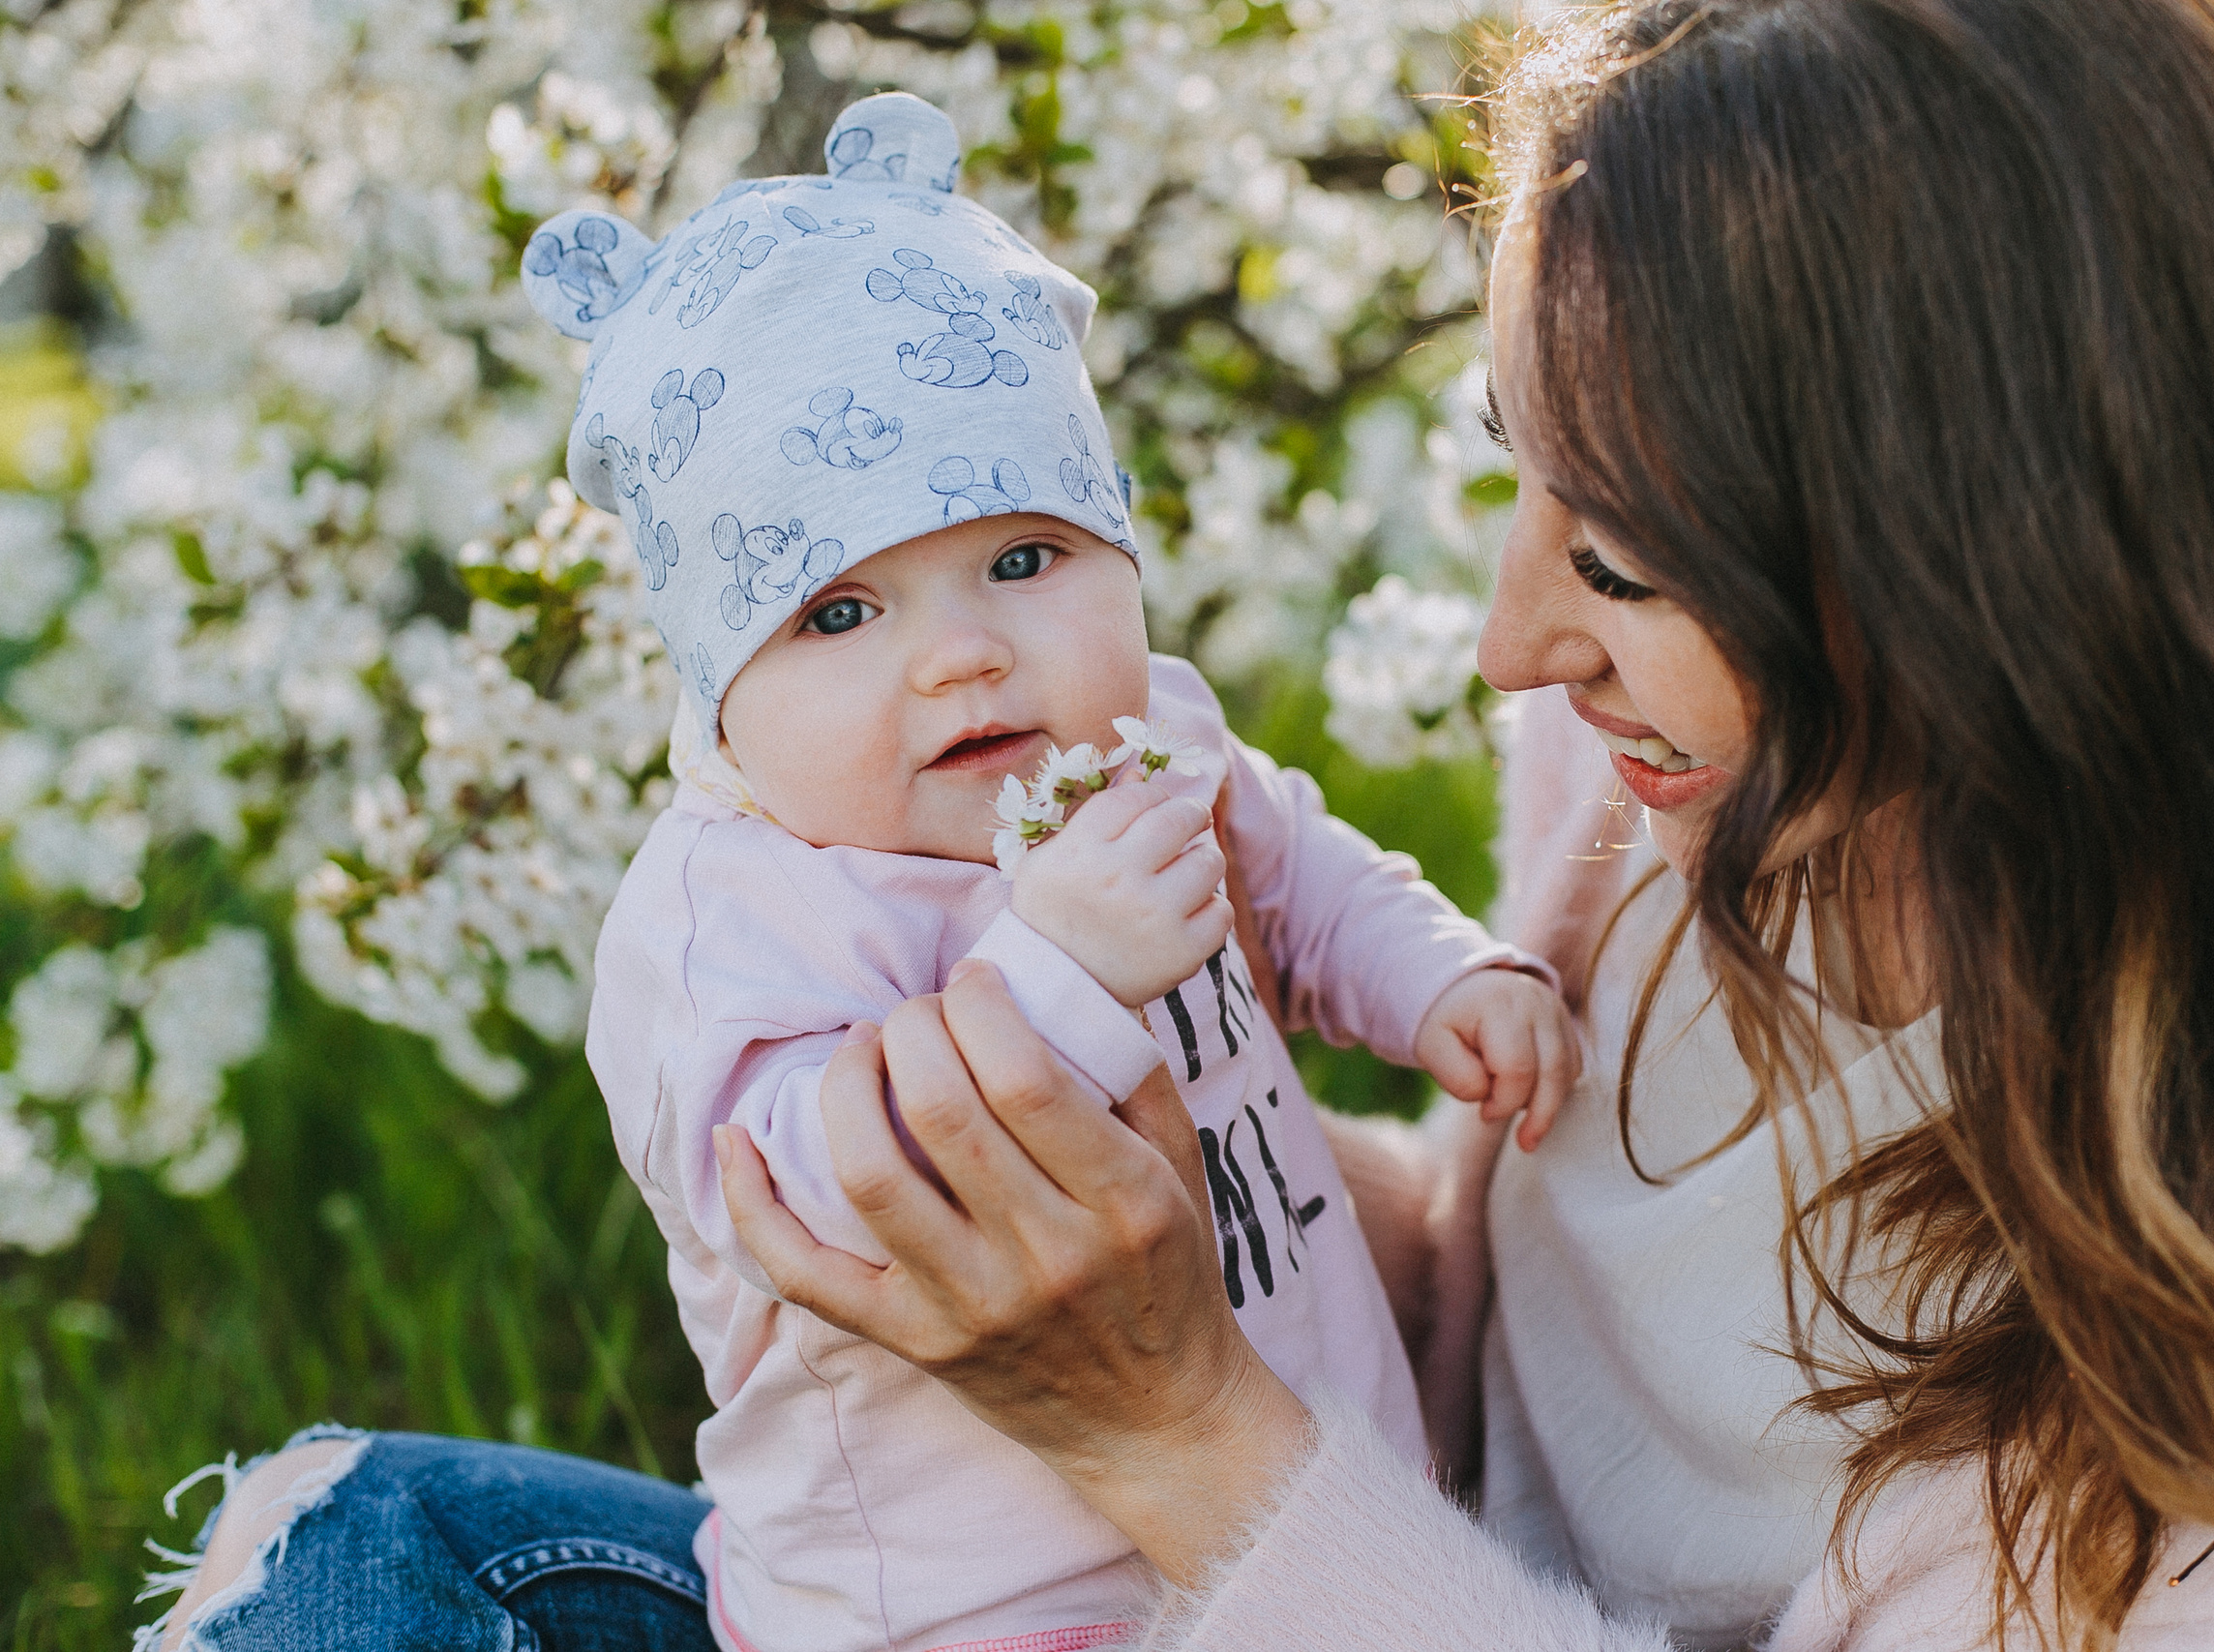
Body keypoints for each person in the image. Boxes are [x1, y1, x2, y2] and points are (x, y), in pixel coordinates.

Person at [702, 1, 2214, 1649]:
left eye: (1620, 560)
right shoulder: (1653, 787)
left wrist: (1180, 1438)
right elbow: (1533, 1328)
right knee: (422, 1527)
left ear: (2006, 577)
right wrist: (1175, 1163)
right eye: (1512, 463)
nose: (1515, 649)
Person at [131, 91, 1575, 1652]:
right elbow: (829, 1202)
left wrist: (1437, 973)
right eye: (837, 615)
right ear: (719, 690)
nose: (961, 655)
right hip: (966, 1608)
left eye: (1023, 562)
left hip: (1305, 1503)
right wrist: (1061, 975)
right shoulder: (734, 924)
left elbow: (1294, 874)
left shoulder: (1151, 733)